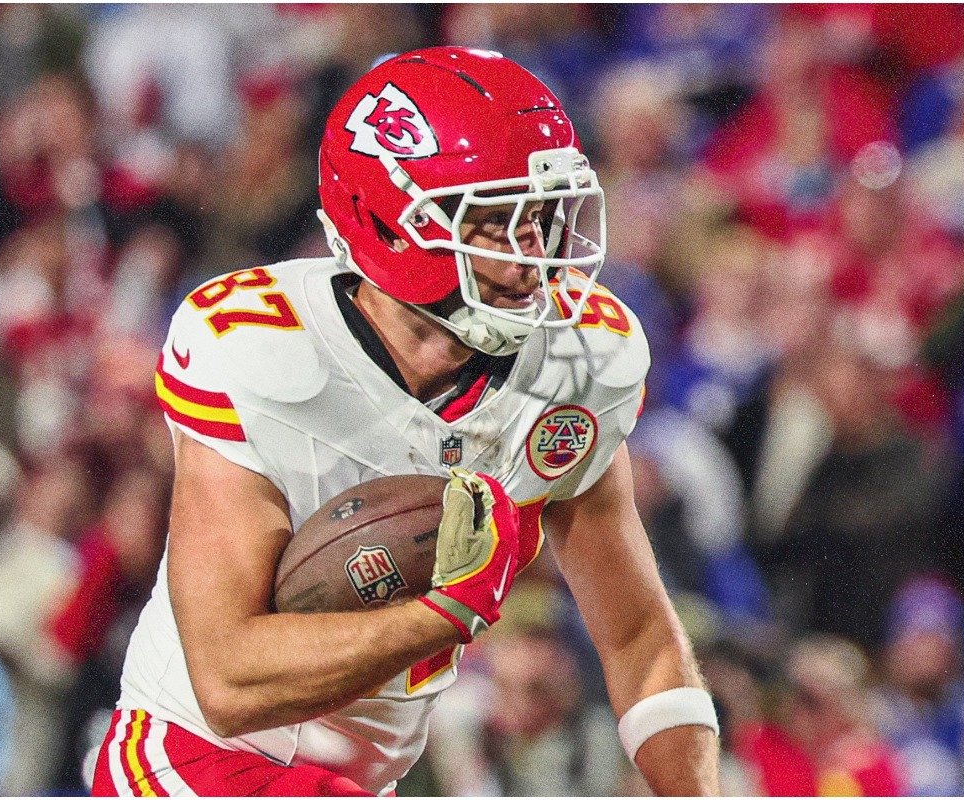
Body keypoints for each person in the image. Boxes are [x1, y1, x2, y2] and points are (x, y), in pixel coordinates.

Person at [93, 47, 720, 797]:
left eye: (543, 216)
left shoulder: (579, 363)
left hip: (370, 780)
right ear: (388, 224)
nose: (533, 256)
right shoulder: (262, 350)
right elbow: (230, 681)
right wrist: (445, 611)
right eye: (494, 222)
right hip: (195, 762)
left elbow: (639, 636)